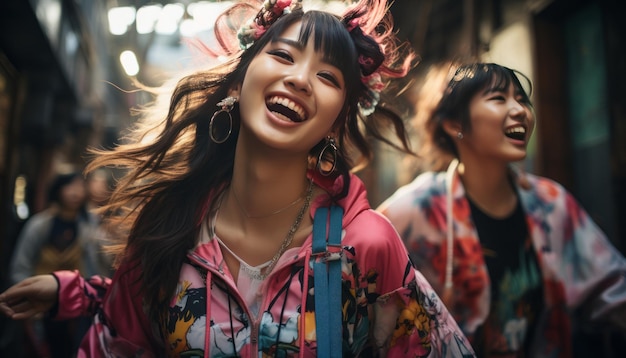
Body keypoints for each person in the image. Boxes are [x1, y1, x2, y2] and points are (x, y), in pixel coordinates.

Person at [0, 1, 475, 356]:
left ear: (336, 121)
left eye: (328, 77)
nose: (301, 79)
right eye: (284, 56)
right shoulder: (168, 225)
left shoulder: (367, 245)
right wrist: (83, 294)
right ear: (237, 82)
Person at [377, 61, 626, 357]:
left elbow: (613, 289)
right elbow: (364, 268)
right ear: (455, 123)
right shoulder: (418, 208)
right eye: (499, 98)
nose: (520, 110)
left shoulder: (550, 203)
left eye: (522, 100)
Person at [7, 171, 103, 357]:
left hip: (76, 307)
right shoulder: (40, 224)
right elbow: (21, 264)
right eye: (70, 186)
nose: (75, 192)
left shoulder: (89, 227)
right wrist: (25, 295)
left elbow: (94, 265)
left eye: (79, 186)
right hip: (40, 303)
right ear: (58, 189)